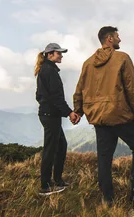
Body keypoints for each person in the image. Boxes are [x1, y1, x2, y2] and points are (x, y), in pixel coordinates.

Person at [72, 26, 134, 208]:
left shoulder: (88, 63)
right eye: (117, 36)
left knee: (104, 156)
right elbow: (133, 89)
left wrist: (78, 111)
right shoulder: (122, 58)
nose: (120, 39)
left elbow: (80, 89)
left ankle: (107, 198)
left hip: (99, 118)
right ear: (109, 38)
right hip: (120, 115)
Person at [34, 42, 80, 196]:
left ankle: (57, 180)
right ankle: (45, 186)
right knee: (51, 149)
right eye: (59, 53)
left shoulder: (46, 70)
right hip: (50, 116)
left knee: (60, 146)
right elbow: (56, 97)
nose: (61, 55)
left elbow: (39, 95)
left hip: (48, 114)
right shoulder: (49, 71)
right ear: (49, 54)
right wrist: (69, 113)